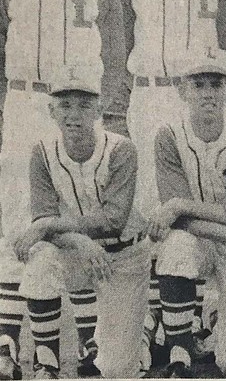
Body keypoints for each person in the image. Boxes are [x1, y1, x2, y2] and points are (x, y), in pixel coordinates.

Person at [0, 0, 128, 381]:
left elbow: (115, 57)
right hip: (26, 100)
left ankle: (94, 342)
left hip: (82, 106)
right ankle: (8, 339)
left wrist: (112, 113)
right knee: (15, 214)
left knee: (81, 214)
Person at [114, 0, 226, 370]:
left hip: (203, 98)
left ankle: (204, 315)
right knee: (152, 210)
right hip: (149, 94)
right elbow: (119, 42)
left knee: (206, 202)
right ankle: (157, 317)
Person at [14, 64, 148, 379]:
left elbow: (114, 220)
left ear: (99, 108)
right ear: (51, 111)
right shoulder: (43, 152)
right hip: (77, 252)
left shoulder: (121, 148)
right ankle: (46, 361)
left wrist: (49, 227)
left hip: (122, 255)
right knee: (40, 260)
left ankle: (135, 328)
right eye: (65, 104)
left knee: (114, 370)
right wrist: (80, 240)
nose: (74, 114)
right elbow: (44, 219)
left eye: (84, 104)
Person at [149, 47, 226, 378]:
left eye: (215, 85)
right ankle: (179, 350)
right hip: (221, 240)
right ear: (182, 90)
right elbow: (180, 222)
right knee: (175, 247)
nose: (207, 94)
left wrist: (181, 204)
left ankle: (213, 318)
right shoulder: (169, 135)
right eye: (198, 84)